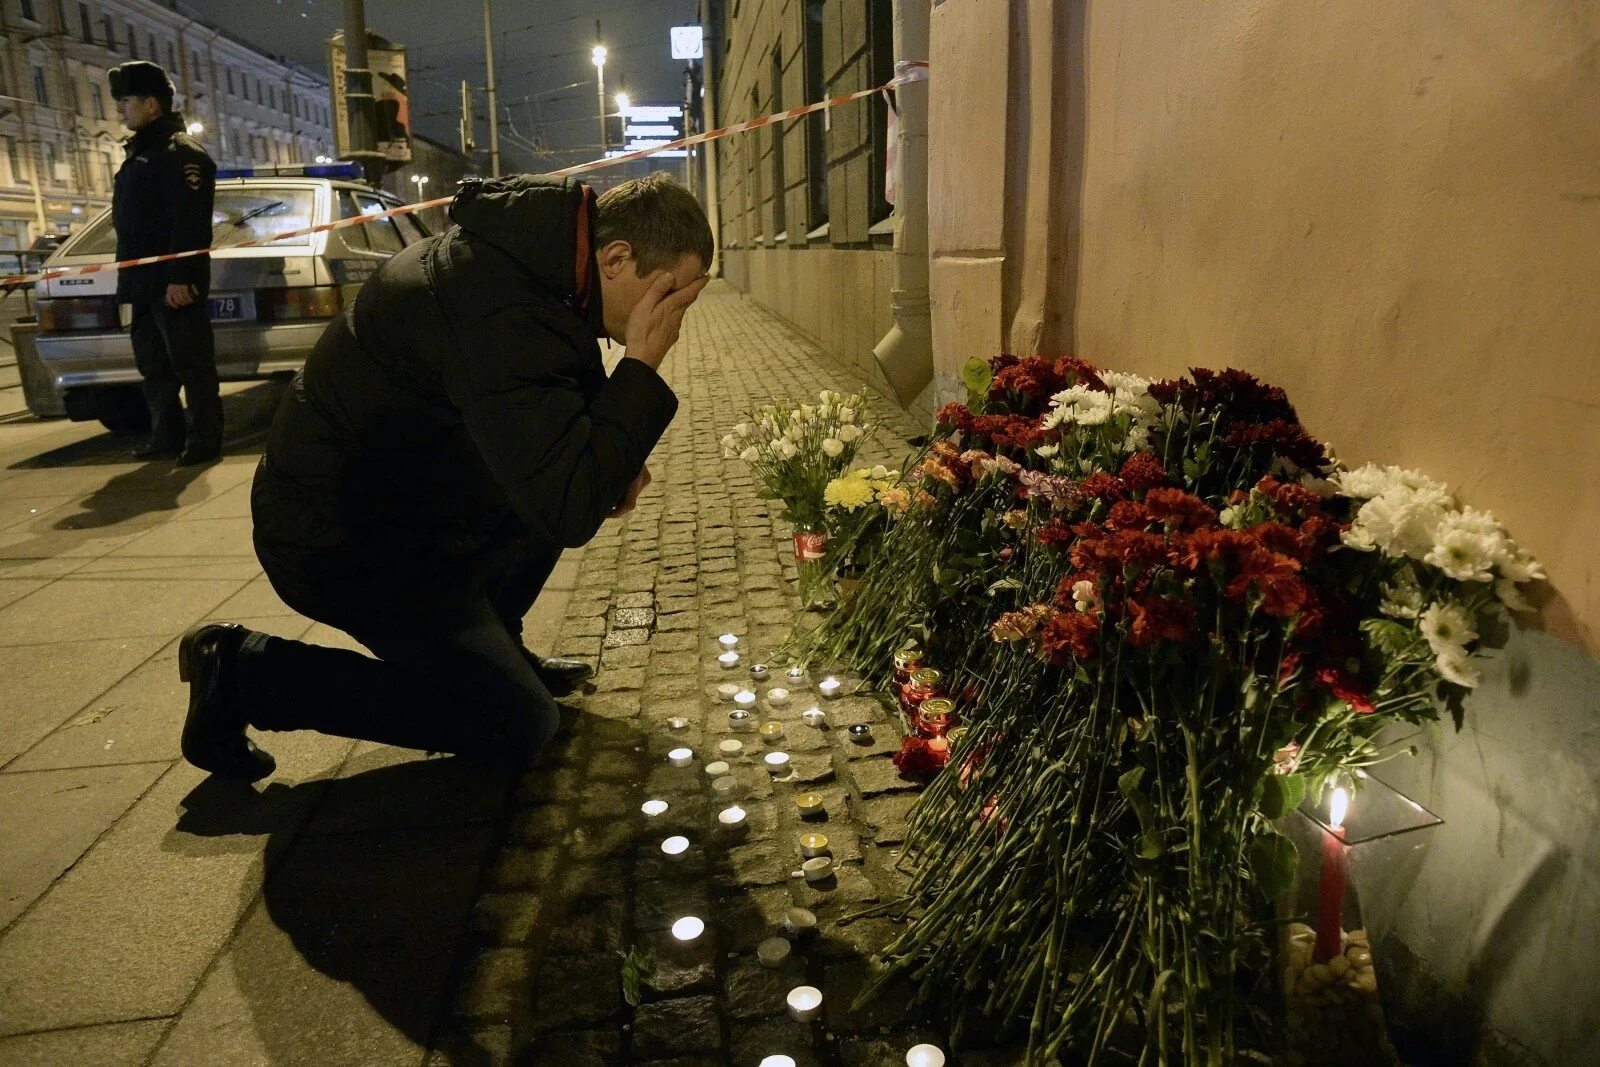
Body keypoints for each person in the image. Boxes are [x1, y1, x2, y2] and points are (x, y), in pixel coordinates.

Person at [176, 171, 712, 781]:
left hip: (420, 506)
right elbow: (567, 504)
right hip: (344, 541)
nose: (671, 322)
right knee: (519, 725)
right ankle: (245, 673)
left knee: (556, 478)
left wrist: (610, 458)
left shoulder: (545, 273)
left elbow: (570, 452)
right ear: (617, 258)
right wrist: (641, 365)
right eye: (670, 300)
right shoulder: (496, 304)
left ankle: (496, 648)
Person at [107, 61, 222, 465]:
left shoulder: (181, 153)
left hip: (171, 283)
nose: (120, 110)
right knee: (154, 365)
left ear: (151, 104)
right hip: (141, 281)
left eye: (126, 101)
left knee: (191, 364)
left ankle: (205, 441)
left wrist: (182, 278)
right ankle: (166, 437)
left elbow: (190, 224)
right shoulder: (143, 152)